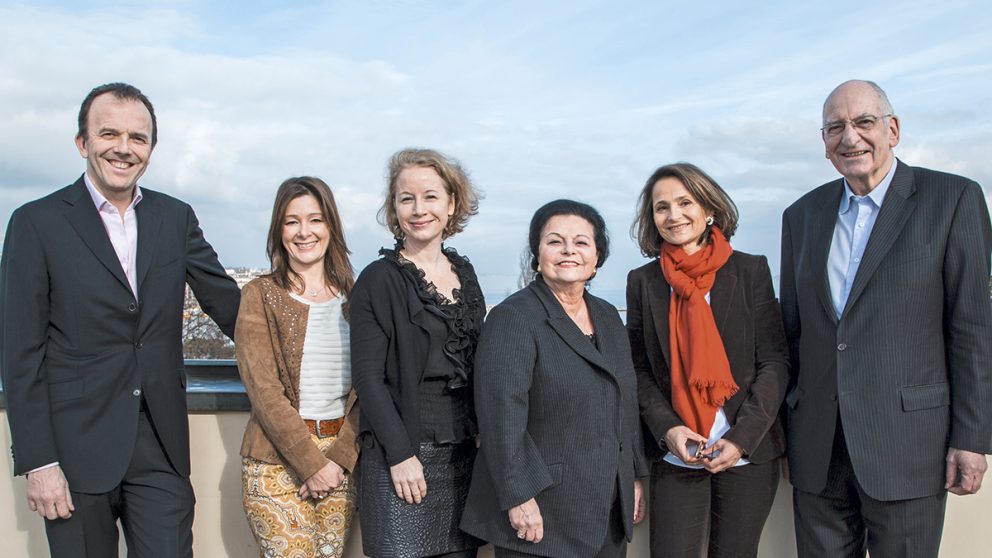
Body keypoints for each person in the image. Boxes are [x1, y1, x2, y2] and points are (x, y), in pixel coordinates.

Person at [0, 82, 241, 557]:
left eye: (138, 137)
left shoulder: (175, 218)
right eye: (109, 133)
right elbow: (20, 353)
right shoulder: (35, 223)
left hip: (161, 446)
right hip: (72, 451)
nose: (124, 149)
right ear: (82, 142)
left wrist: (324, 327)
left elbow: (232, 307)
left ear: (151, 148)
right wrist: (39, 461)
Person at [780, 79, 992, 557]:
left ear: (893, 129)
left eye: (863, 122)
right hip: (818, 449)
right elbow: (792, 332)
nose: (849, 137)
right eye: (835, 127)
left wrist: (972, 439)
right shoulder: (801, 215)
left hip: (910, 447)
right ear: (824, 143)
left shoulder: (952, 199)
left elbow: (973, 328)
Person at [460, 199, 649, 557]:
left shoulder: (608, 316)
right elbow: (501, 418)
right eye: (555, 241)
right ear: (537, 253)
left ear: (597, 257)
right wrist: (518, 497)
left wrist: (633, 477)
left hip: (607, 509)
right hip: (542, 513)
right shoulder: (513, 317)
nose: (568, 251)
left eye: (581, 242)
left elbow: (625, 400)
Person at [626, 163, 789, 557]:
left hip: (746, 454)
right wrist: (669, 430)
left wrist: (741, 439)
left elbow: (774, 362)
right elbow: (639, 369)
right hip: (676, 453)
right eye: (661, 207)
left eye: (685, 202)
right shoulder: (644, 282)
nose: (674, 215)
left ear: (709, 209)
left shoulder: (750, 270)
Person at [349, 148, 485, 558]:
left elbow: (480, 363)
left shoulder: (466, 272)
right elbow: (368, 379)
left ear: (452, 204)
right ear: (394, 208)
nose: (418, 208)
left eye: (430, 196)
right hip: (404, 458)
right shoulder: (378, 279)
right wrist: (401, 455)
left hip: (463, 458)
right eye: (406, 198)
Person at [235, 176, 360, 557]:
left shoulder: (357, 296)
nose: (304, 232)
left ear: (331, 227)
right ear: (279, 230)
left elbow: (372, 386)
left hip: (340, 460)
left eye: (315, 219)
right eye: (292, 221)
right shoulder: (259, 295)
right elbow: (264, 392)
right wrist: (310, 464)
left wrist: (338, 461)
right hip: (274, 461)